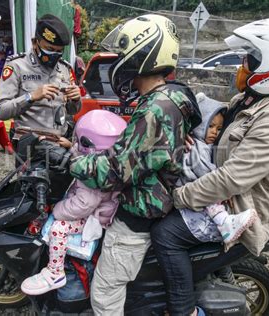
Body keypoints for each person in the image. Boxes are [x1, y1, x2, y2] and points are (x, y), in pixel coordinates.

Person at [150, 18, 269, 315]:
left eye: (251, 60)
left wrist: (177, 197)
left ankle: (182, 309)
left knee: (165, 234)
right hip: (220, 193)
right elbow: (219, 138)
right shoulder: (249, 100)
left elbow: (231, 179)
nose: (242, 66)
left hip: (239, 208)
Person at [69, 14, 202, 315]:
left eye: (122, 54)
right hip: (159, 198)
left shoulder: (154, 110)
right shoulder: (171, 97)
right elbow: (138, 152)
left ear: (142, 54)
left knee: (105, 290)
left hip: (138, 215)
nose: (119, 61)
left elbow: (116, 171)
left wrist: (73, 161)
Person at [20, 110, 126, 295]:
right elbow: (83, 155)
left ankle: (55, 272)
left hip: (94, 216)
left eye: (79, 140)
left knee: (57, 228)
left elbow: (84, 204)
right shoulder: (105, 161)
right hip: (94, 206)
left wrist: (56, 209)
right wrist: (71, 147)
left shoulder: (91, 177)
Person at [0, 14, 81, 160]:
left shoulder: (64, 69)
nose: (54, 55)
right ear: (35, 43)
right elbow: (1, 111)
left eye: (59, 51)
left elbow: (72, 110)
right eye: (49, 49)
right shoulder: (17, 66)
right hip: (30, 146)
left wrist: (76, 100)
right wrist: (31, 97)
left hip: (60, 144)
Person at [177, 92, 257, 247]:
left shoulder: (205, 145)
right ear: (200, 125)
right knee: (211, 200)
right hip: (190, 186)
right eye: (210, 126)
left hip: (194, 188)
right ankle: (225, 222)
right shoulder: (196, 146)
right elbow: (205, 172)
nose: (215, 132)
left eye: (219, 128)